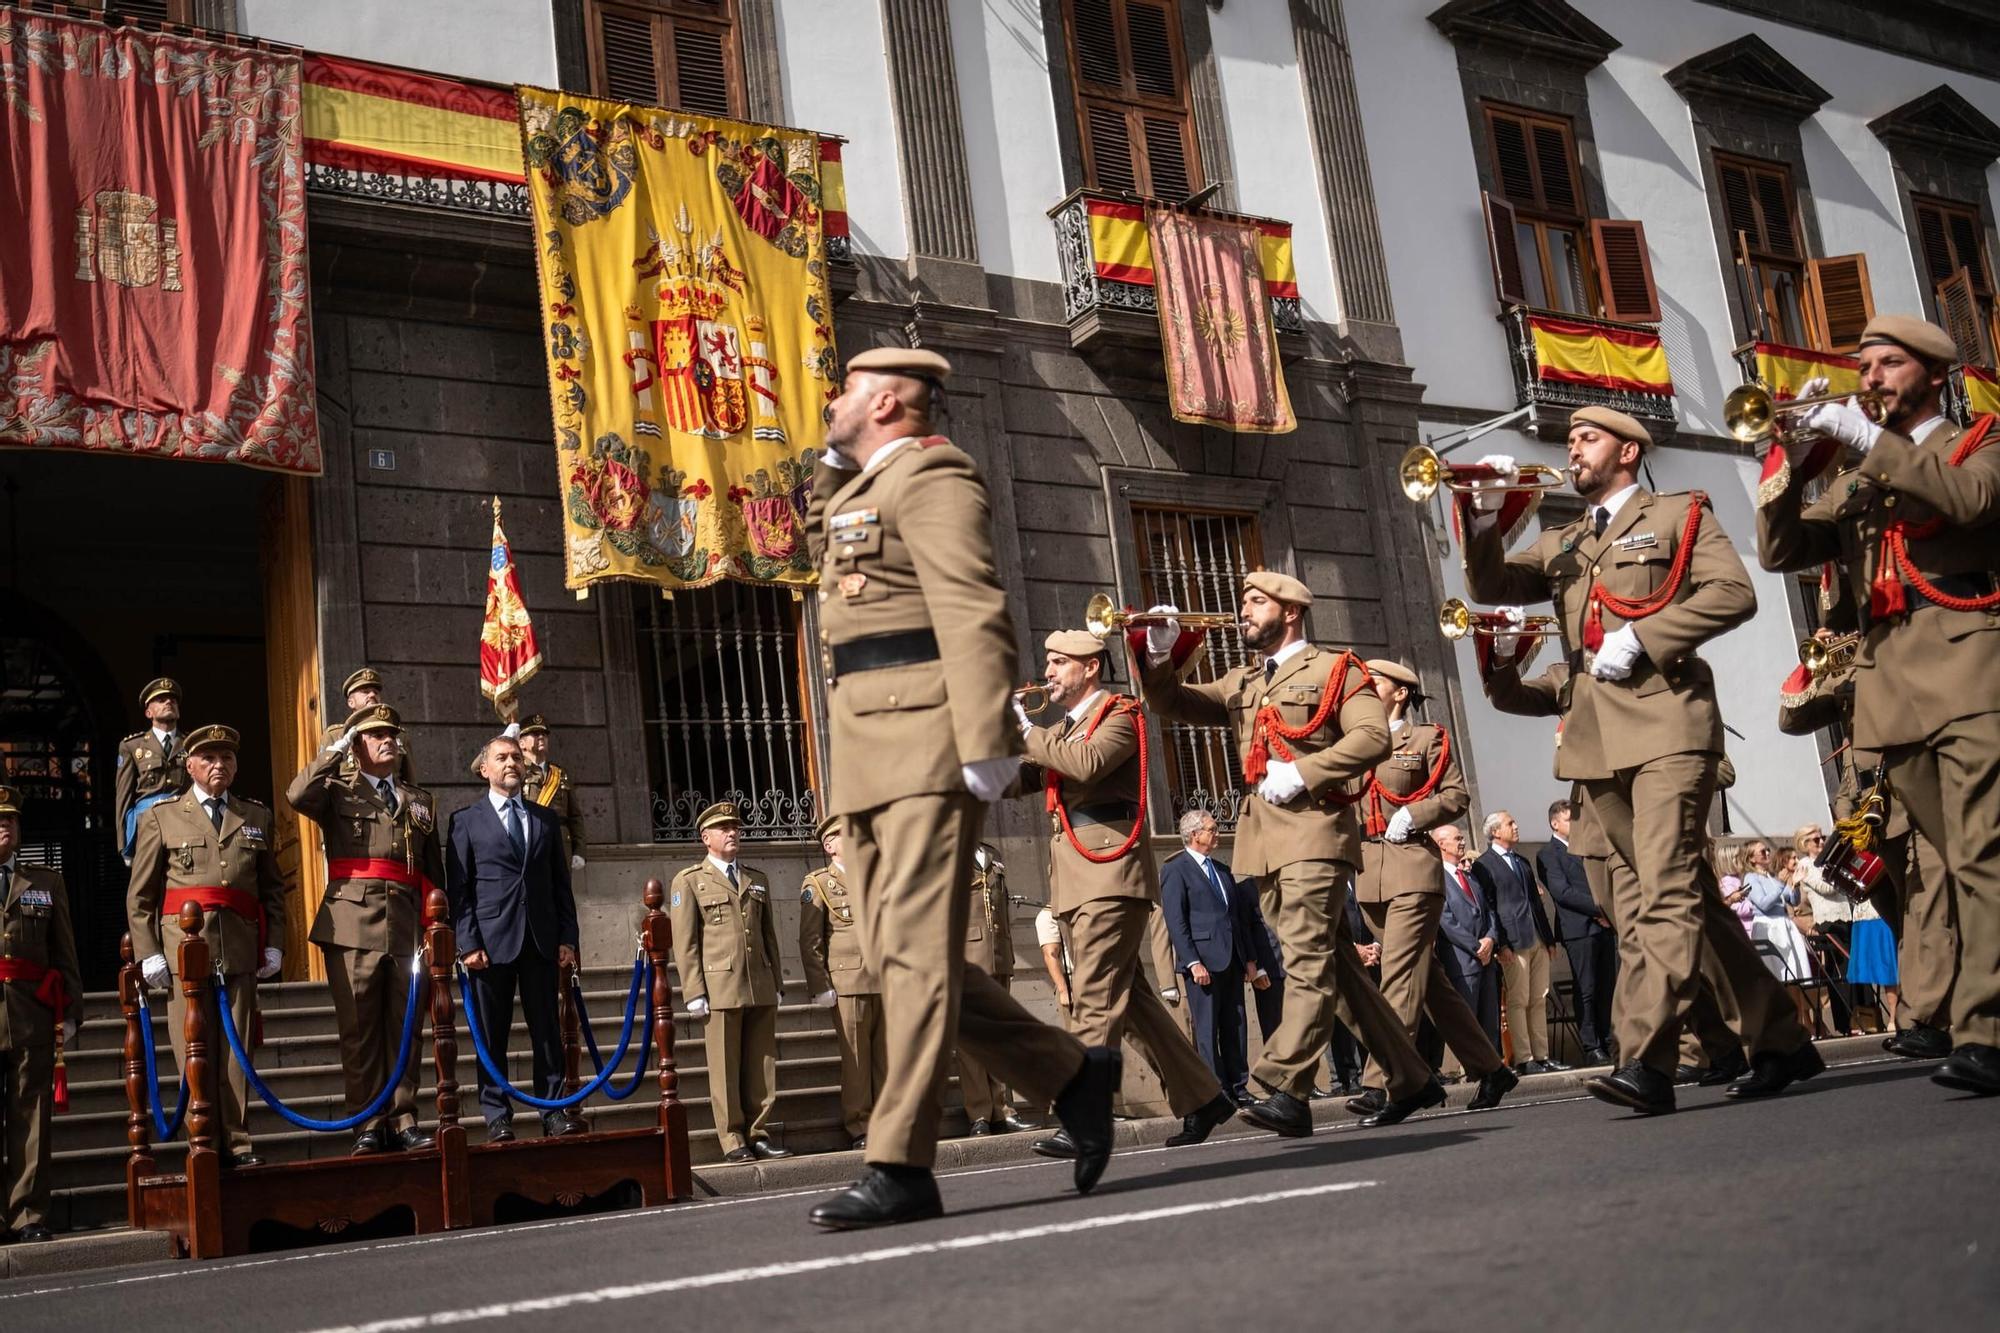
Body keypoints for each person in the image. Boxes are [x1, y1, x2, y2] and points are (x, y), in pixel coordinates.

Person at [802, 347, 1115, 1230]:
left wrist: (985, 742)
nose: (833, 398)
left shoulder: (935, 475)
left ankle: (901, 1161)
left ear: (892, 401)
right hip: (865, 752)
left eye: (850, 390)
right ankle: (1073, 1073)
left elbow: (973, 603)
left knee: (911, 955)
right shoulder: (864, 487)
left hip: (928, 742)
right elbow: (817, 532)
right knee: (904, 952)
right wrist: (832, 455)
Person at [1466, 404, 1817, 1114]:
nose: (1574, 447)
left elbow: (1734, 591)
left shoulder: (1679, 514)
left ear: (1629, 451)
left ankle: (1647, 1057)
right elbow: (1491, 587)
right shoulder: (1563, 540)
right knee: (1691, 896)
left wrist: (1649, 634)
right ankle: (1781, 1038)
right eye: (1570, 439)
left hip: (1667, 726)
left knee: (1661, 893)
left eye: (1588, 438)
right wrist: (1481, 519)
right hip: (1599, 744)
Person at [1757, 313, 2000, 1095]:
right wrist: (1790, 466)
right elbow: (1784, 550)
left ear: (1933, 372)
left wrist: (1865, 441)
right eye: (1864, 365)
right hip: (1892, 691)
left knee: (1981, 855)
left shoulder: (1979, 441)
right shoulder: (1858, 474)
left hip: (1968, 668)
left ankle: (1986, 1031)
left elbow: (1965, 501)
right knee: (1962, 866)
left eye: (1889, 362)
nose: (1871, 376)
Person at [1140, 571, 1444, 1133]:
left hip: (1315, 833)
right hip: (1264, 845)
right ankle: (1411, 1076)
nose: (1244, 611)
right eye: (1243, 602)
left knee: (1303, 961)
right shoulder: (1246, 681)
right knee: (1341, 973)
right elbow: (1173, 703)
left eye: (1256, 602)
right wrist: (1159, 654)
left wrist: (1305, 772)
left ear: (1291, 612)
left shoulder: (1335, 670)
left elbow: (1373, 738)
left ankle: (1286, 1085)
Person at [1018, 629, 1232, 1154]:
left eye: (1058, 662)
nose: (1047, 672)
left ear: (1090, 667)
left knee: (1093, 997)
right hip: (1077, 880)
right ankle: (1204, 1097)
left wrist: (1026, 729)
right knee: (1131, 1003)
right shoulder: (1063, 729)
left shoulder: (1120, 714)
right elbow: (1014, 778)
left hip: (1108, 874)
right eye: (1047, 661)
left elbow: (1086, 764)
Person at [1349, 659, 1516, 1114]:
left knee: (1399, 976)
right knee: (1432, 985)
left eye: (1373, 682)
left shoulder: (1426, 738)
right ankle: (1493, 1069)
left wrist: (1415, 814)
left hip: (1413, 873)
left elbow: (1456, 795)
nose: (1362, 689)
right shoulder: (1355, 742)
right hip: (1370, 876)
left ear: (1400, 692)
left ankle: (1383, 1083)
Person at [127, 724, 289, 1167]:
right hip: (186, 954)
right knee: (193, 1050)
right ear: (190, 764)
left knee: (237, 1053)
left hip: (238, 950)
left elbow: (272, 890)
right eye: (210, 758)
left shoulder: (254, 816)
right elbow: (140, 895)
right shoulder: (160, 816)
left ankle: (238, 1142)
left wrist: (274, 944)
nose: (220, 765)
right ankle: (203, 1140)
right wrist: (149, 953)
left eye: (228, 758)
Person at [286, 705, 440, 1154]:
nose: (388, 739)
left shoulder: (419, 800)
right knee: (359, 1029)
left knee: (406, 1026)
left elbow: (433, 872)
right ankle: (368, 1121)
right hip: (352, 924)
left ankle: (405, 1115)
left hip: (407, 924)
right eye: (375, 735)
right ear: (357, 745)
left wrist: (435, 927)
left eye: (391, 733)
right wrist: (337, 748)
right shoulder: (336, 791)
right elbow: (297, 794)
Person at [447, 733, 580, 1143]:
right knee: (491, 1036)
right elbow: (460, 890)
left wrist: (567, 937)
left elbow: (561, 885)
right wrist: (467, 943)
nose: (512, 764)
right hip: (489, 945)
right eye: (502, 758)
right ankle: (497, 1115)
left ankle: (553, 1111)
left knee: (546, 1033)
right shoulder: (465, 821)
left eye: (517, 757)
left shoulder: (544, 819)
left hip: (540, 941)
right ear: (484, 769)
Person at [670, 802, 788, 1162]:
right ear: (706, 838)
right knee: (724, 1066)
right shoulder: (689, 880)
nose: (733, 832)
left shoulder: (757, 878)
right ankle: (732, 1137)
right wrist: (693, 991)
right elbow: (686, 941)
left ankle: (759, 1131)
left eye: (735, 827)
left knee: (761, 1064)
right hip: (720, 986)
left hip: (759, 981)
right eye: (724, 828)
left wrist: (777, 981)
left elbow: (769, 935)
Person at [0, 786, 82, 1242]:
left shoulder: (45, 883)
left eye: (10, 819)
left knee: (31, 1117)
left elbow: (63, 952)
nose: (3, 826)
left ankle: (28, 1214)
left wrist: (70, 1010)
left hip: (31, 1013)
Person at [1160, 809, 1280, 1108]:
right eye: (1212, 830)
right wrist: (1191, 961)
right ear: (1194, 834)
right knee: (1207, 1028)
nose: (1217, 834)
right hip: (1203, 963)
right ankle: (1217, 1091)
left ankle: (1239, 1087)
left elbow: (1237, 920)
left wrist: (1250, 960)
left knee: (1235, 1025)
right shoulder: (1176, 869)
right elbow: (1176, 922)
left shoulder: (1223, 871)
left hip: (1233, 961)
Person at [799, 815, 883, 1150]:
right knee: (857, 1061)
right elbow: (810, 940)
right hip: (847, 982)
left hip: (883, 980)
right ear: (830, 846)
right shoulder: (818, 883)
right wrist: (821, 985)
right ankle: (860, 1125)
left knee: (887, 1060)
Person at [1474, 810, 1564, 1074]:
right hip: (1513, 941)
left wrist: (1549, 939)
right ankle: (1524, 1058)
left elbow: (1536, 903)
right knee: (1518, 999)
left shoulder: (1522, 861)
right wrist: (1500, 944)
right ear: (1494, 832)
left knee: (1539, 997)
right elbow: (1488, 906)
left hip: (1536, 936)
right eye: (1509, 823)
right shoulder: (1484, 864)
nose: (1515, 826)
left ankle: (1542, 1055)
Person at [959, 843, 1029, 1135]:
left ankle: (1003, 1110)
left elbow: (999, 906)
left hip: (999, 956)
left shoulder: (992, 854)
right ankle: (979, 1113)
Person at [1541, 799, 1614, 1065]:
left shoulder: (1588, 849)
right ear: (1555, 823)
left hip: (1605, 926)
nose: (1578, 824)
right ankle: (1591, 1045)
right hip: (1579, 929)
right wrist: (1600, 909)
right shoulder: (1548, 854)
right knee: (1587, 988)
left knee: (1608, 987)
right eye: (1571, 819)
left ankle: (1609, 1041)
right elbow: (1562, 892)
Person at [1434, 827, 1501, 1051]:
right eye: (1457, 838)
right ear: (1441, 844)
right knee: (1468, 1022)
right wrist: (1476, 947)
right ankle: (1473, 1069)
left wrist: (1490, 939)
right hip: (1462, 962)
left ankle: (1493, 1068)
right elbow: (1446, 921)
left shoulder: (1470, 876)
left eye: (1463, 837)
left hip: (1486, 960)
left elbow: (1488, 911)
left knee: (1489, 1020)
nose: (1462, 842)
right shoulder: (1436, 878)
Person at [113, 677, 188, 863]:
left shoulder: (191, 744)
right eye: (161, 700)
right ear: (148, 712)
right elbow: (123, 796)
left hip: (184, 823)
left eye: (173, 700)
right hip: (148, 824)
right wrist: (124, 844)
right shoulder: (132, 746)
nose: (169, 702)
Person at [517, 715, 586, 871]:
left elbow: (575, 816)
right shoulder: (517, 771)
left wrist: (580, 851)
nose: (541, 737)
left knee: (562, 892)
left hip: (561, 843)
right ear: (522, 743)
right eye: (534, 733)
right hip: (531, 840)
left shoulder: (560, 773)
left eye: (544, 734)